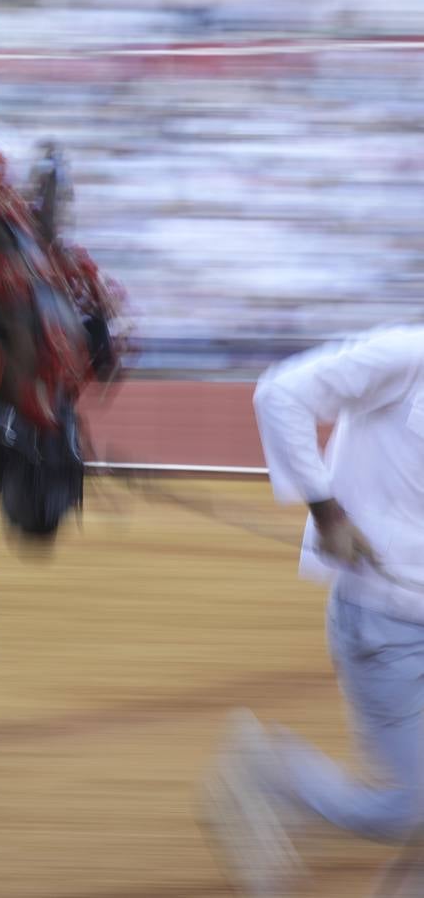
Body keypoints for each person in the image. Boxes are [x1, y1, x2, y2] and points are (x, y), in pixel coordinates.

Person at [203, 325, 424, 895]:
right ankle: (273, 778)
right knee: (408, 809)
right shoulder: (408, 355)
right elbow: (281, 394)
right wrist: (328, 513)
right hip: (387, 620)